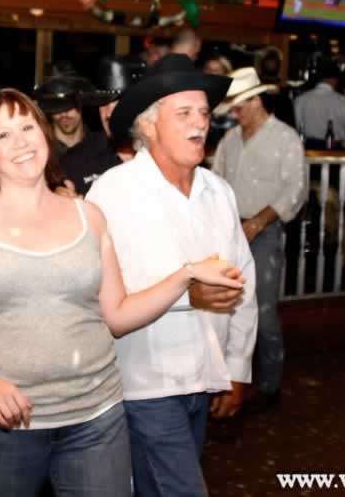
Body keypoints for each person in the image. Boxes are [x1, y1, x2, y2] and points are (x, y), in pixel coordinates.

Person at [0, 88, 244, 497]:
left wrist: (187, 274)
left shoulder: (88, 216)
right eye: (3, 135)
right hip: (1, 426)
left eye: (27, 127)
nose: (21, 142)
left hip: (95, 419)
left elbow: (118, 315)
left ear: (45, 135)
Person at [86, 54, 258, 497]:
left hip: (204, 375)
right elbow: (99, 294)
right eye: (184, 113)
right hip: (145, 383)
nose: (200, 123)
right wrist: (188, 294)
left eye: (204, 113)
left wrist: (236, 366)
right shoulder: (114, 192)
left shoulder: (218, 192)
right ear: (147, 125)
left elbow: (245, 281)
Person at [212, 67, 307, 414]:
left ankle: (269, 385)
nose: (235, 114)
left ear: (256, 100)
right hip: (229, 230)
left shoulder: (285, 138)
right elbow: (216, 182)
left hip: (264, 231)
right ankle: (225, 381)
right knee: (226, 307)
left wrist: (258, 221)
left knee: (264, 312)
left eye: (239, 107)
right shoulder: (229, 140)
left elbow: (295, 190)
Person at [58, 55, 145, 195]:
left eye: (118, 102)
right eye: (102, 103)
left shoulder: (163, 155)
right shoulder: (75, 161)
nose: (108, 113)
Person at [294, 62, 345, 148]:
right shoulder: (342, 101)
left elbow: (296, 127)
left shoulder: (301, 99)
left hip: (308, 148)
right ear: (335, 79)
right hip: (334, 149)